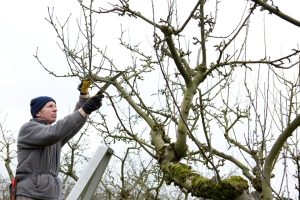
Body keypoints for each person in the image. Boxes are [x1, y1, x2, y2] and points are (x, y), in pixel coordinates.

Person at [14, 81, 104, 200]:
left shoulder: (55, 134)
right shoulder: (28, 129)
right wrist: (84, 110)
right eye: (50, 106)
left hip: (52, 194)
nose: (55, 109)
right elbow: (54, 133)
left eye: (55, 106)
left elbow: (73, 124)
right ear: (37, 113)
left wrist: (84, 97)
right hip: (30, 194)